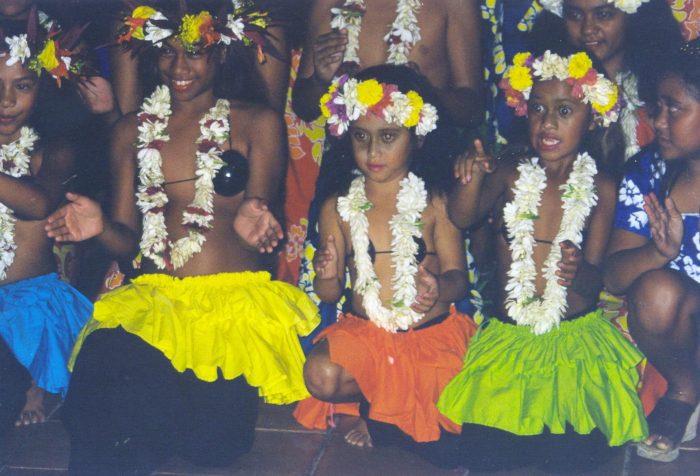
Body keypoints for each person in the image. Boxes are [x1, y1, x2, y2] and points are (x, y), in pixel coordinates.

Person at [45, 3, 319, 472]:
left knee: (210, 446)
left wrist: (257, 220)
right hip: (156, 300)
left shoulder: (257, 122)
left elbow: (261, 215)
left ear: (220, 54)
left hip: (229, 307)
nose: (179, 68)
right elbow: (128, 241)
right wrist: (99, 228)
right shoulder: (131, 131)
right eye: (168, 54)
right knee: (101, 369)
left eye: (194, 53)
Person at [438, 49, 647, 472]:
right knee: (484, 456)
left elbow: (595, 281)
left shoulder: (602, 186)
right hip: (511, 338)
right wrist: (471, 175)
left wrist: (575, 273)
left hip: (571, 340)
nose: (547, 122)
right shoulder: (509, 172)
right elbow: (463, 215)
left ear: (592, 120)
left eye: (564, 110)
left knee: (573, 457)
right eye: (537, 109)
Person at [292, 64, 476, 467]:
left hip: (428, 333)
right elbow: (329, 294)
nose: (373, 152)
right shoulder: (337, 207)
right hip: (367, 335)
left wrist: (439, 291)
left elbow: (458, 278)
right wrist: (326, 273)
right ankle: (375, 405)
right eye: (362, 137)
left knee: (452, 417)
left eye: (388, 137)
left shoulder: (435, 201)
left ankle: (386, 415)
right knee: (320, 375)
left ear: (417, 136)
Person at [280, 0, 484, 285]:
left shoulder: (453, 4)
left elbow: (472, 106)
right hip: (348, 167)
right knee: (333, 279)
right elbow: (304, 105)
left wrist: (421, 91)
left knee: (431, 288)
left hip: (426, 171)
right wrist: (320, 79)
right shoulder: (329, 4)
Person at [603, 39, 700, 463]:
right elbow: (614, 277)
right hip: (680, 330)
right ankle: (684, 389)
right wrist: (657, 253)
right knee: (655, 290)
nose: (658, 121)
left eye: (673, 109)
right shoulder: (648, 172)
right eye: (655, 107)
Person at [0, 19, 93, 428]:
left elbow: (40, 202)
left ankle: (33, 383)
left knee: (26, 327)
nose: (5, 100)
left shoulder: (51, 150)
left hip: (29, 296)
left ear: (44, 89)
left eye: (22, 86)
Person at [533, 0, 683, 166]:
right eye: (574, 15)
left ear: (633, 14)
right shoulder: (546, 90)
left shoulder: (664, 91)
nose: (588, 29)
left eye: (603, 15)